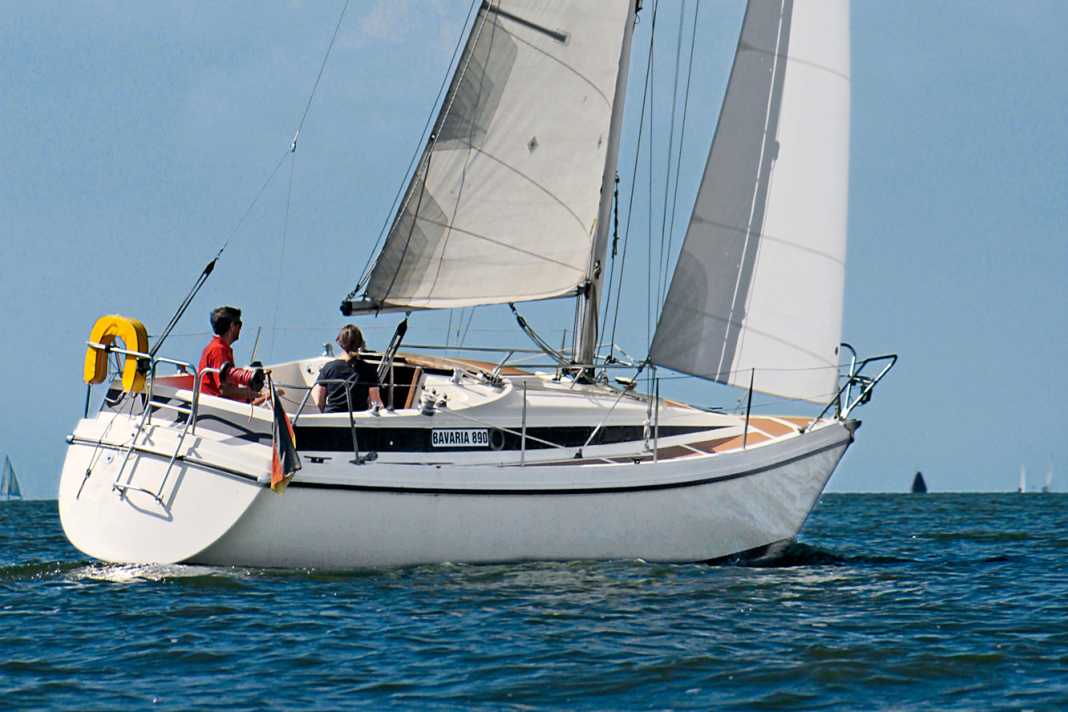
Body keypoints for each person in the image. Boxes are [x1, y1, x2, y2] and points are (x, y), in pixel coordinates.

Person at [198, 305, 267, 404]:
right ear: (232, 326)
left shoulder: (218, 348)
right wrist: (257, 394)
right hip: (218, 409)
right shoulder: (218, 350)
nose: (240, 328)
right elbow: (224, 390)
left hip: (223, 406)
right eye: (239, 324)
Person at [312, 324, 383, 413]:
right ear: (360, 344)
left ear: (340, 342)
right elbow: (375, 402)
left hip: (331, 418)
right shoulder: (369, 370)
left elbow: (319, 402)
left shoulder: (329, 368)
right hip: (358, 420)